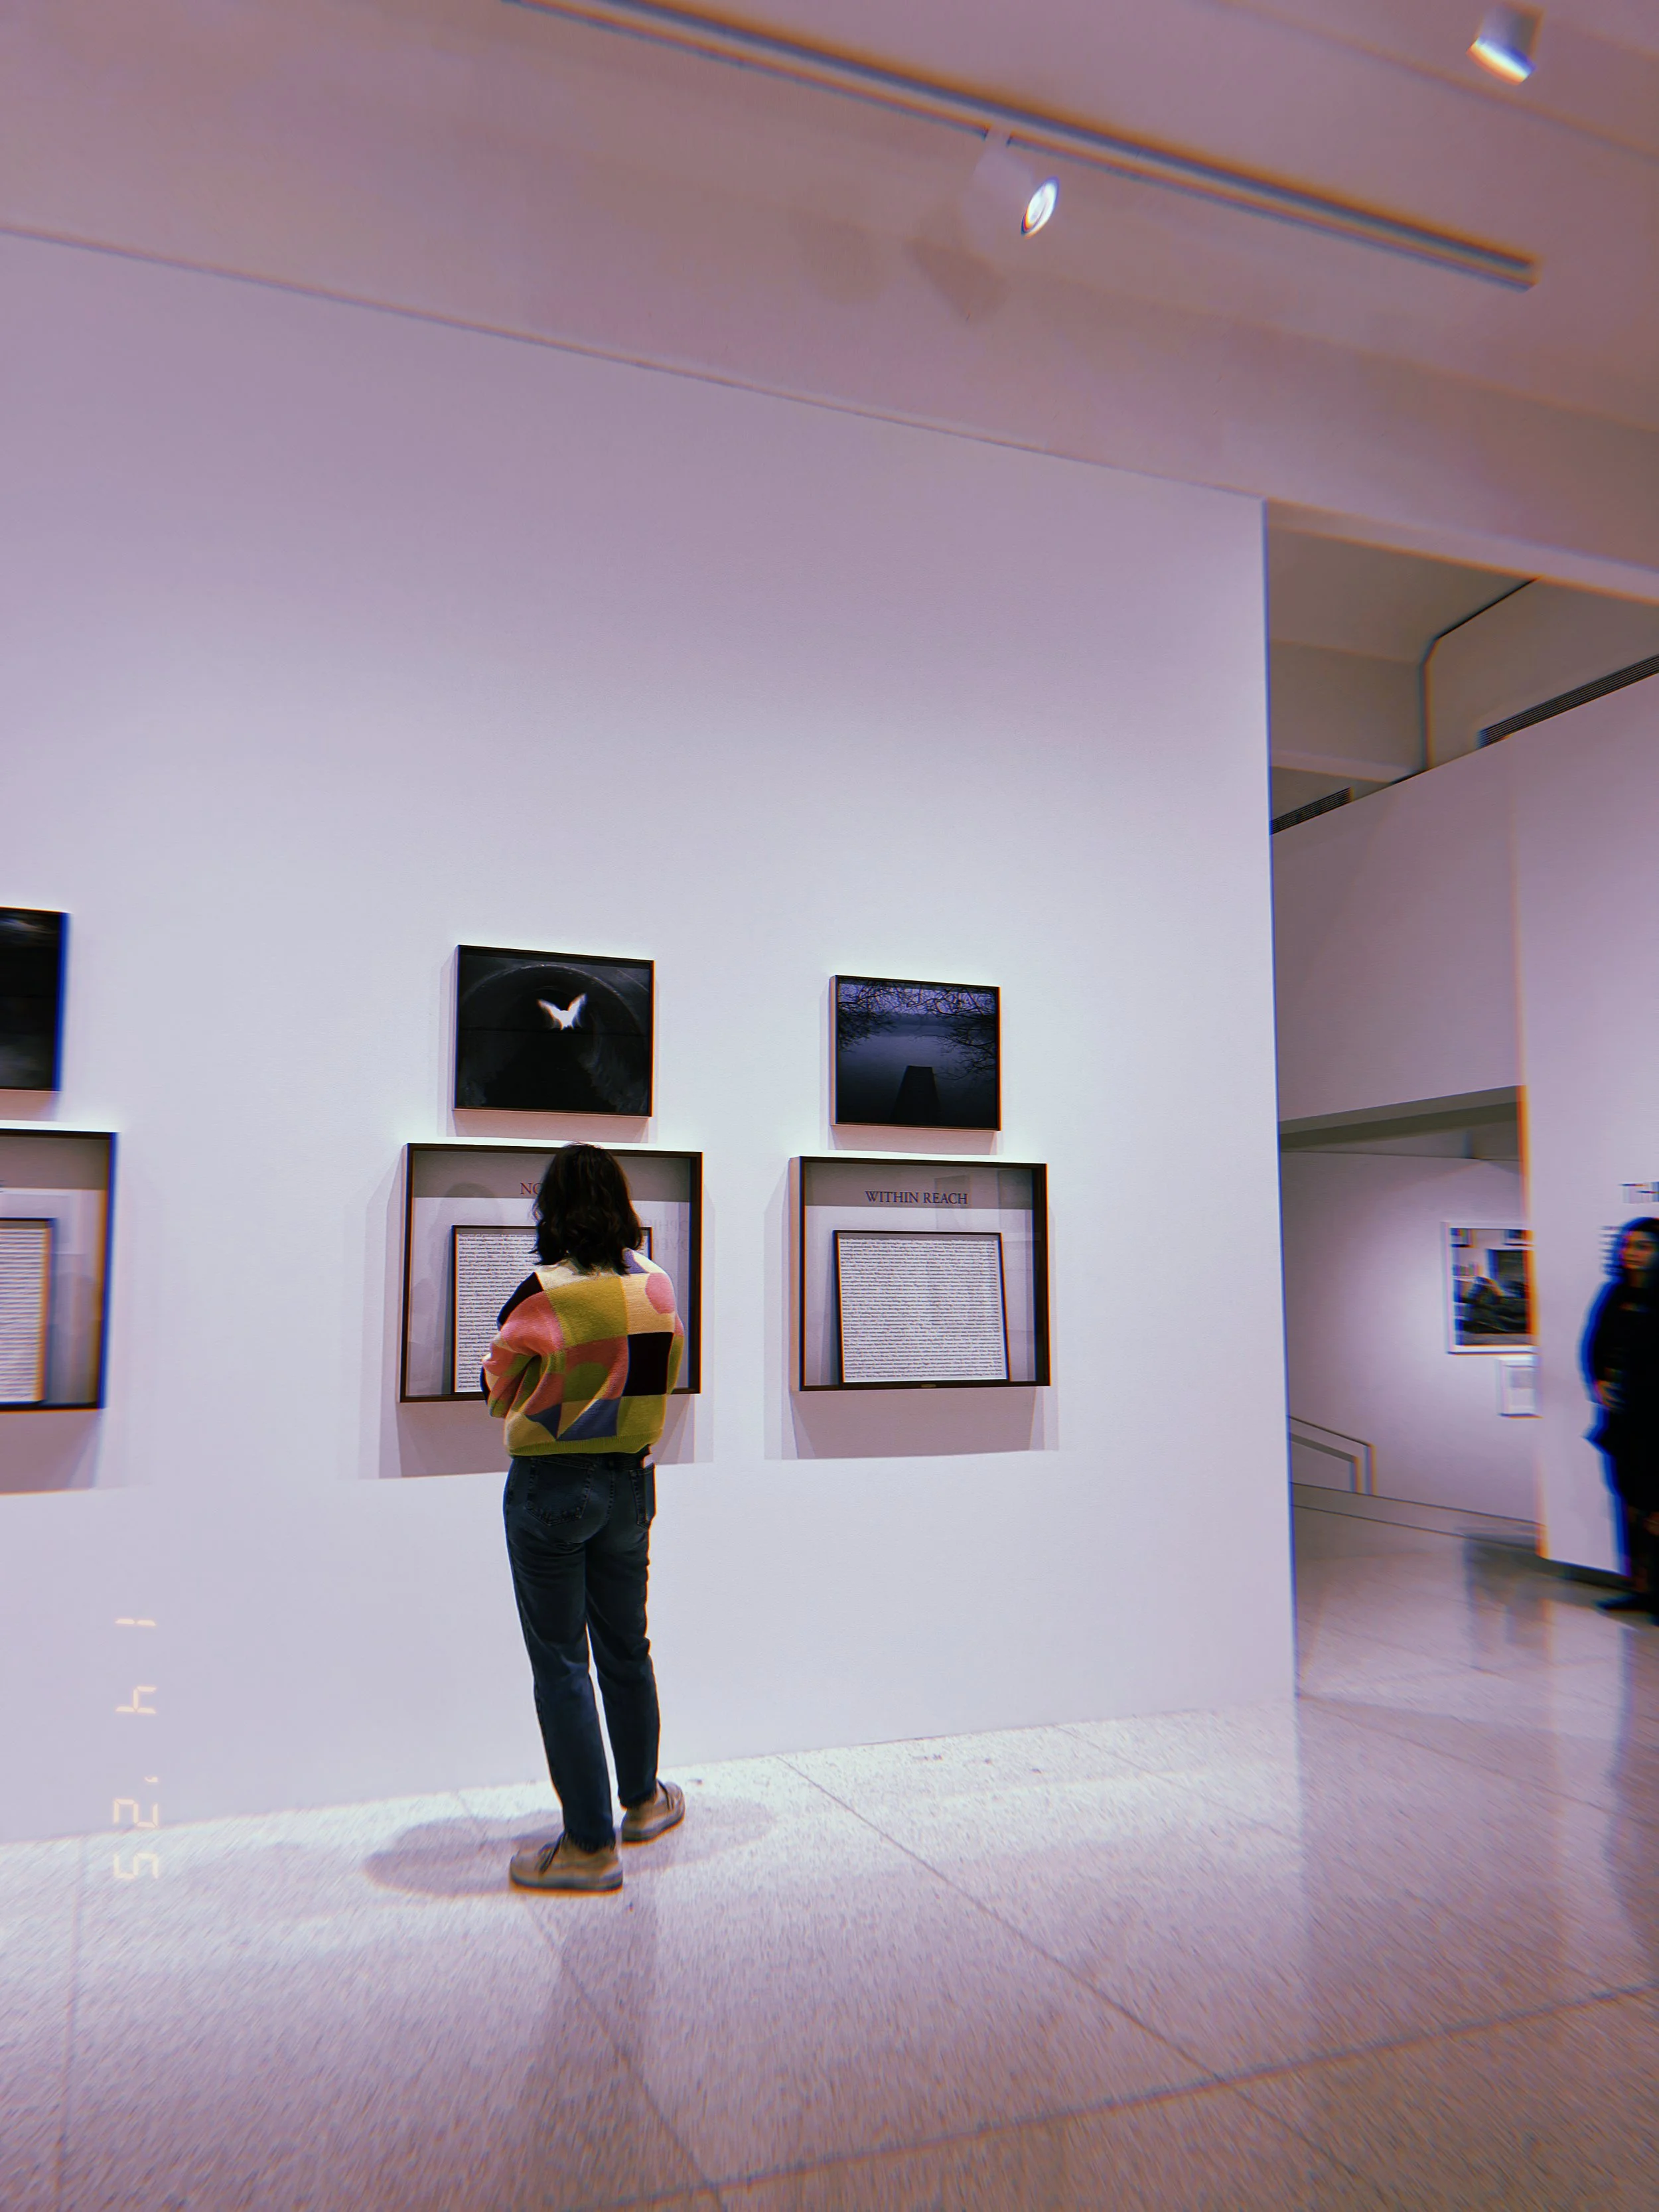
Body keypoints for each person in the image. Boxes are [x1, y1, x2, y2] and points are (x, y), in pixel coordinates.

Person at [483, 1142, 686, 1891]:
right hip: (629, 1486)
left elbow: (499, 1387)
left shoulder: (543, 1293)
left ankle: (587, 1846)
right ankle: (642, 1802)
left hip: (550, 1490)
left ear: (553, 1209)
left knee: (563, 1662)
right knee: (626, 1647)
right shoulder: (657, 1285)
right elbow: (667, 1372)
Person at [1583, 1218, 1659, 1621]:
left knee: (1656, 1509)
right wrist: (1598, 1383)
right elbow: (1593, 1343)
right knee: (1629, 1503)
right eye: (1629, 1246)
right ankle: (1641, 1589)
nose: (1633, 1254)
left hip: (1656, 1422)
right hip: (1623, 1421)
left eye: (1643, 1247)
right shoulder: (1615, 1294)